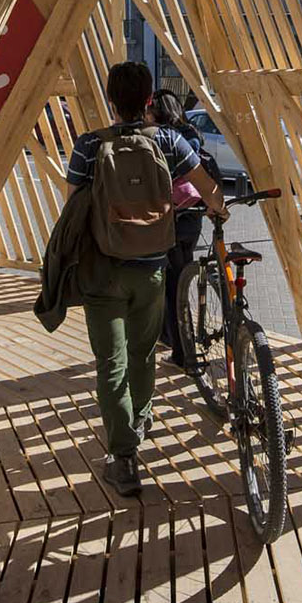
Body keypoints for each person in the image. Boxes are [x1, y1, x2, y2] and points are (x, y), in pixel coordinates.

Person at [65, 62, 225, 496]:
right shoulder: (170, 141)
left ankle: (123, 458)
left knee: (110, 363)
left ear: (111, 101)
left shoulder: (89, 145)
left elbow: (72, 206)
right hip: (152, 268)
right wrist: (219, 210)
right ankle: (140, 419)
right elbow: (207, 188)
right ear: (149, 100)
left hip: (103, 271)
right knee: (143, 353)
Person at [151, 88, 217, 367]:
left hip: (170, 219)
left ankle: (181, 351)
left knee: (172, 288)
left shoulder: (163, 138)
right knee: (181, 278)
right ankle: (173, 338)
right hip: (192, 218)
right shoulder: (191, 133)